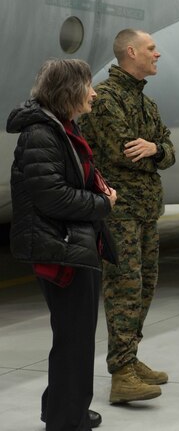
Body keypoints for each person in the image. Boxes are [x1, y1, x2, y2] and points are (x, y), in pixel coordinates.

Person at [8, 58, 116, 430]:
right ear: (69, 90)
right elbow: (52, 197)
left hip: (69, 244)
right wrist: (103, 203)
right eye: (88, 85)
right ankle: (66, 419)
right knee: (74, 338)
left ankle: (61, 407)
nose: (94, 92)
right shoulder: (42, 134)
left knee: (75, 336)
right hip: (60, 248)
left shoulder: (60, 128)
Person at [79, 28, 175, 403]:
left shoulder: (145, 103)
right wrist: (156, 150)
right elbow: (123, 151)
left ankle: (130, 358)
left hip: (146, 210)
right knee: (124, 289)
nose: (158, 54)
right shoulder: (106, 100)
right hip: (121, 213)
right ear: (131, 52)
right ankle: (121, 373)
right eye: (152, 49)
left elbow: (168, 149)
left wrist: (154, 148)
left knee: (145, 286)